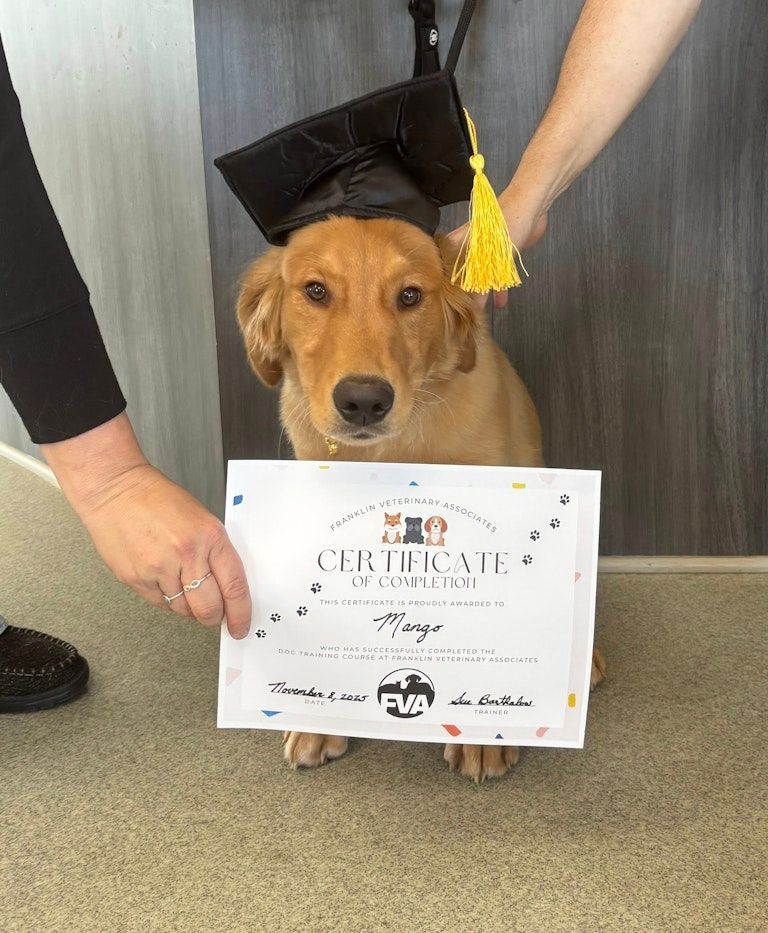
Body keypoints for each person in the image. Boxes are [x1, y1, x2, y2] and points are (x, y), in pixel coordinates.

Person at [0, 0, 700, 711]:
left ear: (461, 331)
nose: (363, 373)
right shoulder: (283, 350)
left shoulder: (465, 356)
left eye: (408, 298)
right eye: (314, 293)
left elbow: (517, 542)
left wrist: (524, 663)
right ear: (264, 329)